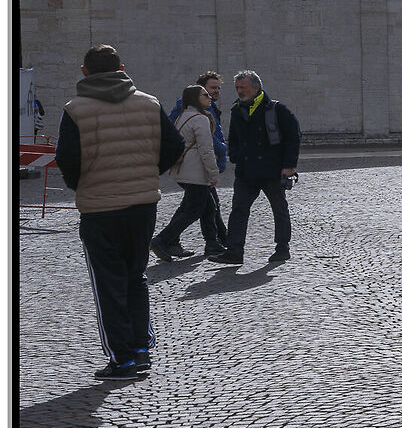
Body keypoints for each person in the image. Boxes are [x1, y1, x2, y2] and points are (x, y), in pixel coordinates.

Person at [60, 45, 184, 381]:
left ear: (85, 72)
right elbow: (174, 146)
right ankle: (141, 348)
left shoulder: (75, 109)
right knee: (135, 276)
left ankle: (123, 359)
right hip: (143, 205)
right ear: (122, 68)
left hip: (100, 207)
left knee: (108, 284)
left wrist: (84, 184)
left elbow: (68, 161)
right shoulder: (149, 102)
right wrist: (145, 173)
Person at [214, 70, 300, 266]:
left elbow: (293, 137)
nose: (239, 91)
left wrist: (289, 167)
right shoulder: (237, 110)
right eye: (237, 88)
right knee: (238, 210)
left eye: (242, 87)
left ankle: (282, 248)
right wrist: (235, 155)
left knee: (279, 209)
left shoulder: (277, 109)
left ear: (255, 87)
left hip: (272, 170)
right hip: (246, 171)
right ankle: (234, 251)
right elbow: (233, 138)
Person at [152, 85, 228, 261]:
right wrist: (213, 174)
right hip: (194, 172)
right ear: (195, 98)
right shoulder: (200, 119)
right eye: (205, 95)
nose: (209, 98)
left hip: (184, 170)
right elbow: (206, 149)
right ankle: (162, 240)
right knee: (194, 210)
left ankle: (212, 243)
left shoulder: (183, 116)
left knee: (208, 207)